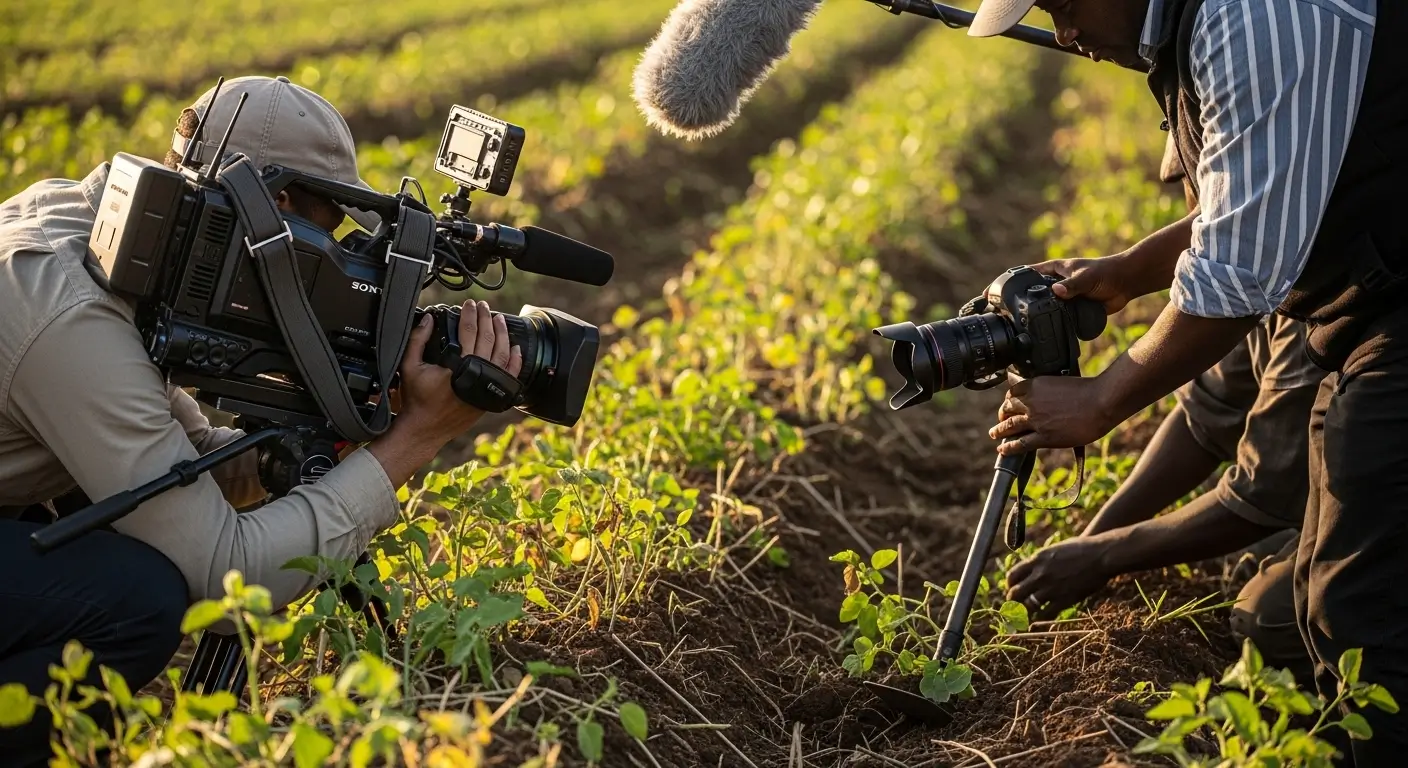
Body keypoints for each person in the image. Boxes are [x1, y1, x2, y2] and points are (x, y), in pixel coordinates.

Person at [0, 75, 521, 764]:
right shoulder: (73, 317)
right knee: (137, 596)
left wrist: (348, 426)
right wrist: (416, 438)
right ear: (271, 204)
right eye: (327, 238)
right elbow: (228, 571)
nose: (328, 264)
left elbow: (181, 464)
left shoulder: (103, 228)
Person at [970, 0, 1404, 762]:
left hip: (1389, 301)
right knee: (1297, 608)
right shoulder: (1196, 32)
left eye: (1062, 4)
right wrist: (1128, 274)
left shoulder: (1257, 15)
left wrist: (1101, 401)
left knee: (1354, 610)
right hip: (1371, 293)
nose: (1064, 33)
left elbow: (1237, 269)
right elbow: (1239, 217)